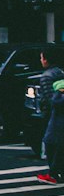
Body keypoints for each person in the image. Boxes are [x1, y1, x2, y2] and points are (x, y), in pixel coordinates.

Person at [36, 46, 64, 181]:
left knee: (50, 143)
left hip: (53, 115)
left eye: (41, 57)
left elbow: (49, 98)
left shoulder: (46, 76)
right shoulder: (60, 72)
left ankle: (53, 173)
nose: (41, 60)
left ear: (46, 60)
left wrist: (44, 114)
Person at [40, 78, 64, 185]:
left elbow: (55, 102)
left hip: (57, 129)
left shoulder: (59, 98)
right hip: (56, 128)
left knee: (54, 150)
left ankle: (53, 174)